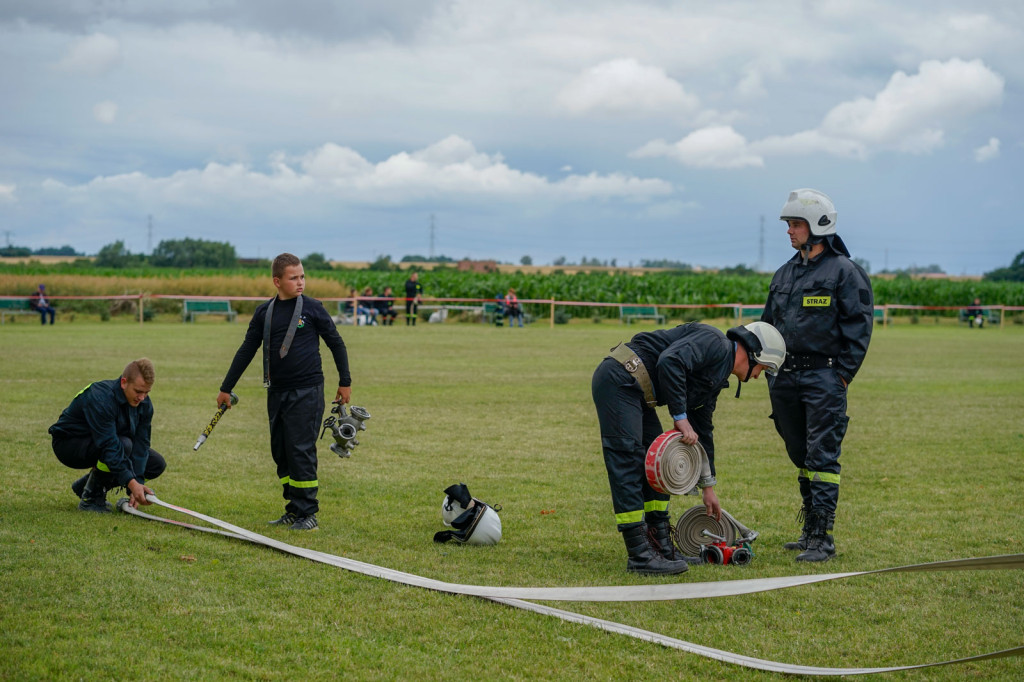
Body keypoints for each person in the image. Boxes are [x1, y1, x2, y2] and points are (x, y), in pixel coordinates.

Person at [592, 321, 786, 575]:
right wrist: (680, 416)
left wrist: (708, 487)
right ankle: (640, 554)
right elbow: (670, 361)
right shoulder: (714, 342)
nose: (759, 375)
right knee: (628, 462)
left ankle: (661, 547)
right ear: (754, 354)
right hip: (619, 379)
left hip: (638, 391)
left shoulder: (716, 378)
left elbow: (703, 432)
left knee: (655, 465)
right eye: (764, 368)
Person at [762, 189, 874, 563]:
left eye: (795, 224)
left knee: (822, 457)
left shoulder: (845, 272)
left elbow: (859, 328)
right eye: (789, 224)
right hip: (786, 380)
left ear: (817, 226)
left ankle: (822, 539)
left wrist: (841, 377)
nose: (789, 231)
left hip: (824, 379)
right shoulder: (784, 273)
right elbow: (767, 325)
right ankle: (808, 531)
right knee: (801, 455)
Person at [216, 253, 352, 531]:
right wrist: (226, 387)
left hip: (308, 390)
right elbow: (246, 350)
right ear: (277, 281)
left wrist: (345, 381)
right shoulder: (264, 313)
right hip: (276, 392)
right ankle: (293, 508)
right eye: (294, 278)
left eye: (302, 276)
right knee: (281, 451)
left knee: (300, 450)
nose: (300, 282)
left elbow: (336, 343)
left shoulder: (313, 308)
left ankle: (308, 514)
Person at [48, 358, 164, 512]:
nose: (142, 398)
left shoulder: (144, 404)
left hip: (106, 443)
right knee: (122, 445)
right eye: (138, 391)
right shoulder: (101, 397)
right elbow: (109, 445)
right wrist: (131, 482)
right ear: (123, 382)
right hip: (69, 445)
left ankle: (85, 486)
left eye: (146, 392)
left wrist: (137, 485)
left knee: (156, 463)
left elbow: (141, 445)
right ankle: (90, 499)